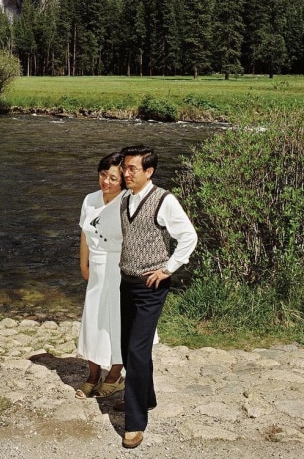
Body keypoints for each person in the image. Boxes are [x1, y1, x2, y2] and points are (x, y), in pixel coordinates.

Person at [116, 144, 197, 449]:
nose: (126, 173)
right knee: (127, 347)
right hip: (127, 282)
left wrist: (169, 268)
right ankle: (145, 397)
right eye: (125, 167)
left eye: (132, 168)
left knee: (137, 350)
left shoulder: (164, 200)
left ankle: (135, 423)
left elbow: (189, 236)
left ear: (148, 172)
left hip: (151, 286)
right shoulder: (125, 198)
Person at [75, 152, 127, 399]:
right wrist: (83, 264)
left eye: (113, 178)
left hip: (120, 268)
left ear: (123, 181)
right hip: (95, 267)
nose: (106, 182)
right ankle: (93, 375)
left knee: (116, 322)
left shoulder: (129, 202)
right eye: (103, 174)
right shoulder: (90, 199)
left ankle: (115, 375)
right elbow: (85, 234)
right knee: (93, 321)